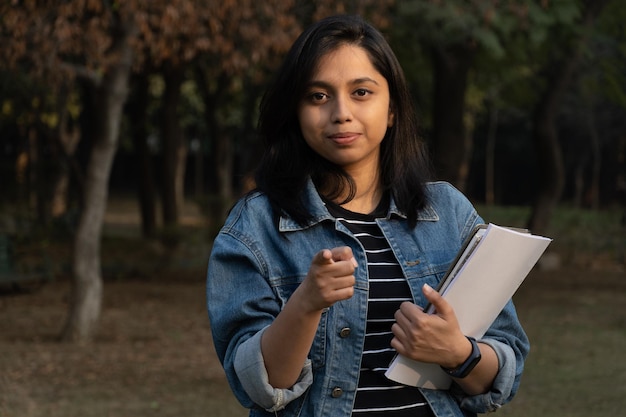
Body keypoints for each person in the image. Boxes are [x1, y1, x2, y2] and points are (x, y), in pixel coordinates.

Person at [206, 14, 529, 417]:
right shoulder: (255, 227)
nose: (341, 112)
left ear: (391, 108)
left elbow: (502, 373)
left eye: (361, 92)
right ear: (296, 112)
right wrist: (305, 303)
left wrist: (457, 353)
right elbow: (261, 385)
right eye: (318, 96)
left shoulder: (448, 213)